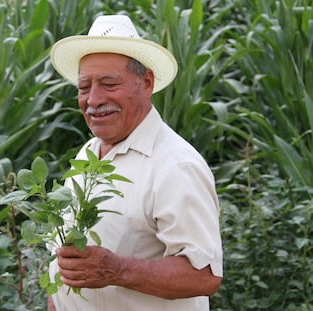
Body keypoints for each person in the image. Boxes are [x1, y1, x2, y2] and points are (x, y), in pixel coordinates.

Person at [47, 14, 223, 311]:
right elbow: (65, 262)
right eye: (84, 86)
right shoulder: (88, 154)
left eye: (109, 83)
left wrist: (117, 270)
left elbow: (204, 275)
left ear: (147, 83)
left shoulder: (176, 166)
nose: (93, 99)